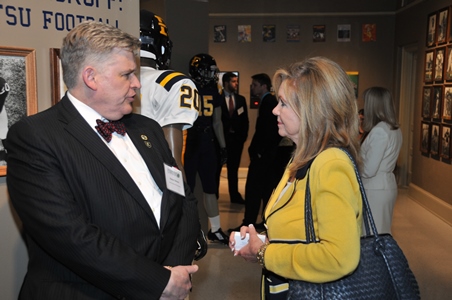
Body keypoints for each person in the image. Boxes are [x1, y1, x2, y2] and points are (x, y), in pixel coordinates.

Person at [6, 21, 200, 300]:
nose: (136, 84)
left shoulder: (148, 128)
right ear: (91, 77)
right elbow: (72, 237)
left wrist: (175, 271)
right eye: (127, 74)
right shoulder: (35, 137)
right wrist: (158, 282)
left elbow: (183, 199)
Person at [229, 56, 363, 299]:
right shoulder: (301, 159)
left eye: (283, 103)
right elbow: (302, 231)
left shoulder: (330, 164)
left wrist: (264, 254)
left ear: (311, 110)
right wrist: (259, 241)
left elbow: (339, 257)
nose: (274, 110)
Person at [138, 10, 207, 261]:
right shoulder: (172, 83)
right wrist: (187, 218)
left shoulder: (107, 80)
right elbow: (172, 162)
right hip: (157, 199)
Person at [184, 53, 229, 245]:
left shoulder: (214, 90)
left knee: (211, 188)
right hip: (191, 140)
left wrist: (223, 146)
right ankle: (188, 230)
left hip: (208, 140)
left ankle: (216, 229)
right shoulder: (186, 87)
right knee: (188, 189)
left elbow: (217, 122)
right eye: (208, 71)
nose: (212, 75)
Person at [229, 73, 282, 232]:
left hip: (263, 156)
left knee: (253, 188)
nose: (251, 88)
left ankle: (248, 222)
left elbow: (266, 131)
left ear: (263, 86)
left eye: (254, 85)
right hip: (267, 155)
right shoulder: (268, 101)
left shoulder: (268, 102)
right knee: (265, 189)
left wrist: (258, 151)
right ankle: (263, 221)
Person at [360, 87, 402, 234]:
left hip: (375, 189)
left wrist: (353, 164)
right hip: (385, 186)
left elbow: (369, 170)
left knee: (372, 235)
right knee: (381, 232)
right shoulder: (394, 128)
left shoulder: (380, 131)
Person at [219, 72, 249, 204]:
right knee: (217, 169)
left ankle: (234, 196)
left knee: (233, 169)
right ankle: (214, 195)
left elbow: (245, 121)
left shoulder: (241, 99)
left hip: (236, 141)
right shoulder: (218, 99)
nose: (236, 84)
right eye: (233, 81)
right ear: (226, 83)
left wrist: (243, 137)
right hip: (221, 140)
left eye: (236, 81)